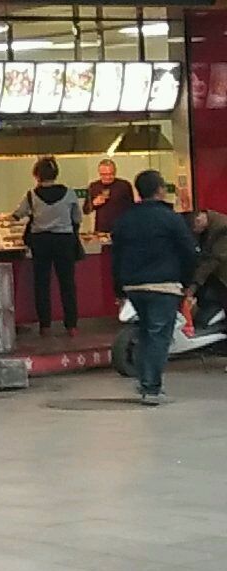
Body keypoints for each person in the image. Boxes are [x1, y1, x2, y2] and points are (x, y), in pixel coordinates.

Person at [111, 170, 198, 405]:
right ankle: (150, 387)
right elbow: (189, 251)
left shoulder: (125, 219)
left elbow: (116, 256)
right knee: (158, 336)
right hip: (163, 285)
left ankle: (145, 381)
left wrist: (119, 290)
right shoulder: (170, 219)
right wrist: (189, 282)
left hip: (133, 286)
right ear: (160, 190)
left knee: (145, 333)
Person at [1, 156, 81, 337]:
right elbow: (77, 218)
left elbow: (17, 215)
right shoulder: (69, 193)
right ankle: (71, 325)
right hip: (64, 240)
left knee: (42, 283)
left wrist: (2, 219)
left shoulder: (32, 195)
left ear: (37, 175)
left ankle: (45, 325)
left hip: (41, 241)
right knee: (67, 283)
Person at [188, 208, 227, 326]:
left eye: (194, 228)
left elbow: (214, 259)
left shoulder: (223, 228)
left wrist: (194, 285)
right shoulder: (209, 227)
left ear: (199, 219)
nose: (195, 232)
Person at [83, 159, 136, 235]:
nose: (108, 177)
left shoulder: (124, 185)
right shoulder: (94, 187)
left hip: (122, 229)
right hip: (102, 230)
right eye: (104, 174)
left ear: (115, 172)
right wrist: (94, 203)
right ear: (99, 173)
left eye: (111, 174)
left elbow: (131, 208)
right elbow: (86, 210)